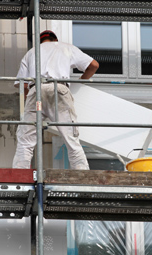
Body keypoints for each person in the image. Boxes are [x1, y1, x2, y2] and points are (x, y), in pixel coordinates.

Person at [12, 30, 99, 170]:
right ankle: (82, 175)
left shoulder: (31, 53)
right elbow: (93, 65)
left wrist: (30, 108)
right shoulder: (65, 47)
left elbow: (22, 85)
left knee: (25, 140)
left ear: (41, 41)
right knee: (71, 139)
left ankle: (19, 176)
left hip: (36, 90)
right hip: (58, 89)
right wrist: (80, 82)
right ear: (55, 40)